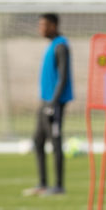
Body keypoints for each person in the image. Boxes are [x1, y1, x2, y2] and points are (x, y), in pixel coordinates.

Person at [23, 13, 73, 196]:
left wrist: (53, 102)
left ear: (53, 25)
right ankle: (42, 183)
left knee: (56, 142)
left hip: (55, 103)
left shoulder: (61, 46)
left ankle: (59, 185)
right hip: (45, 101)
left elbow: (63, 77)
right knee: (38, 141)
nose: (40, 28)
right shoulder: (51, 45)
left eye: (44, 25)